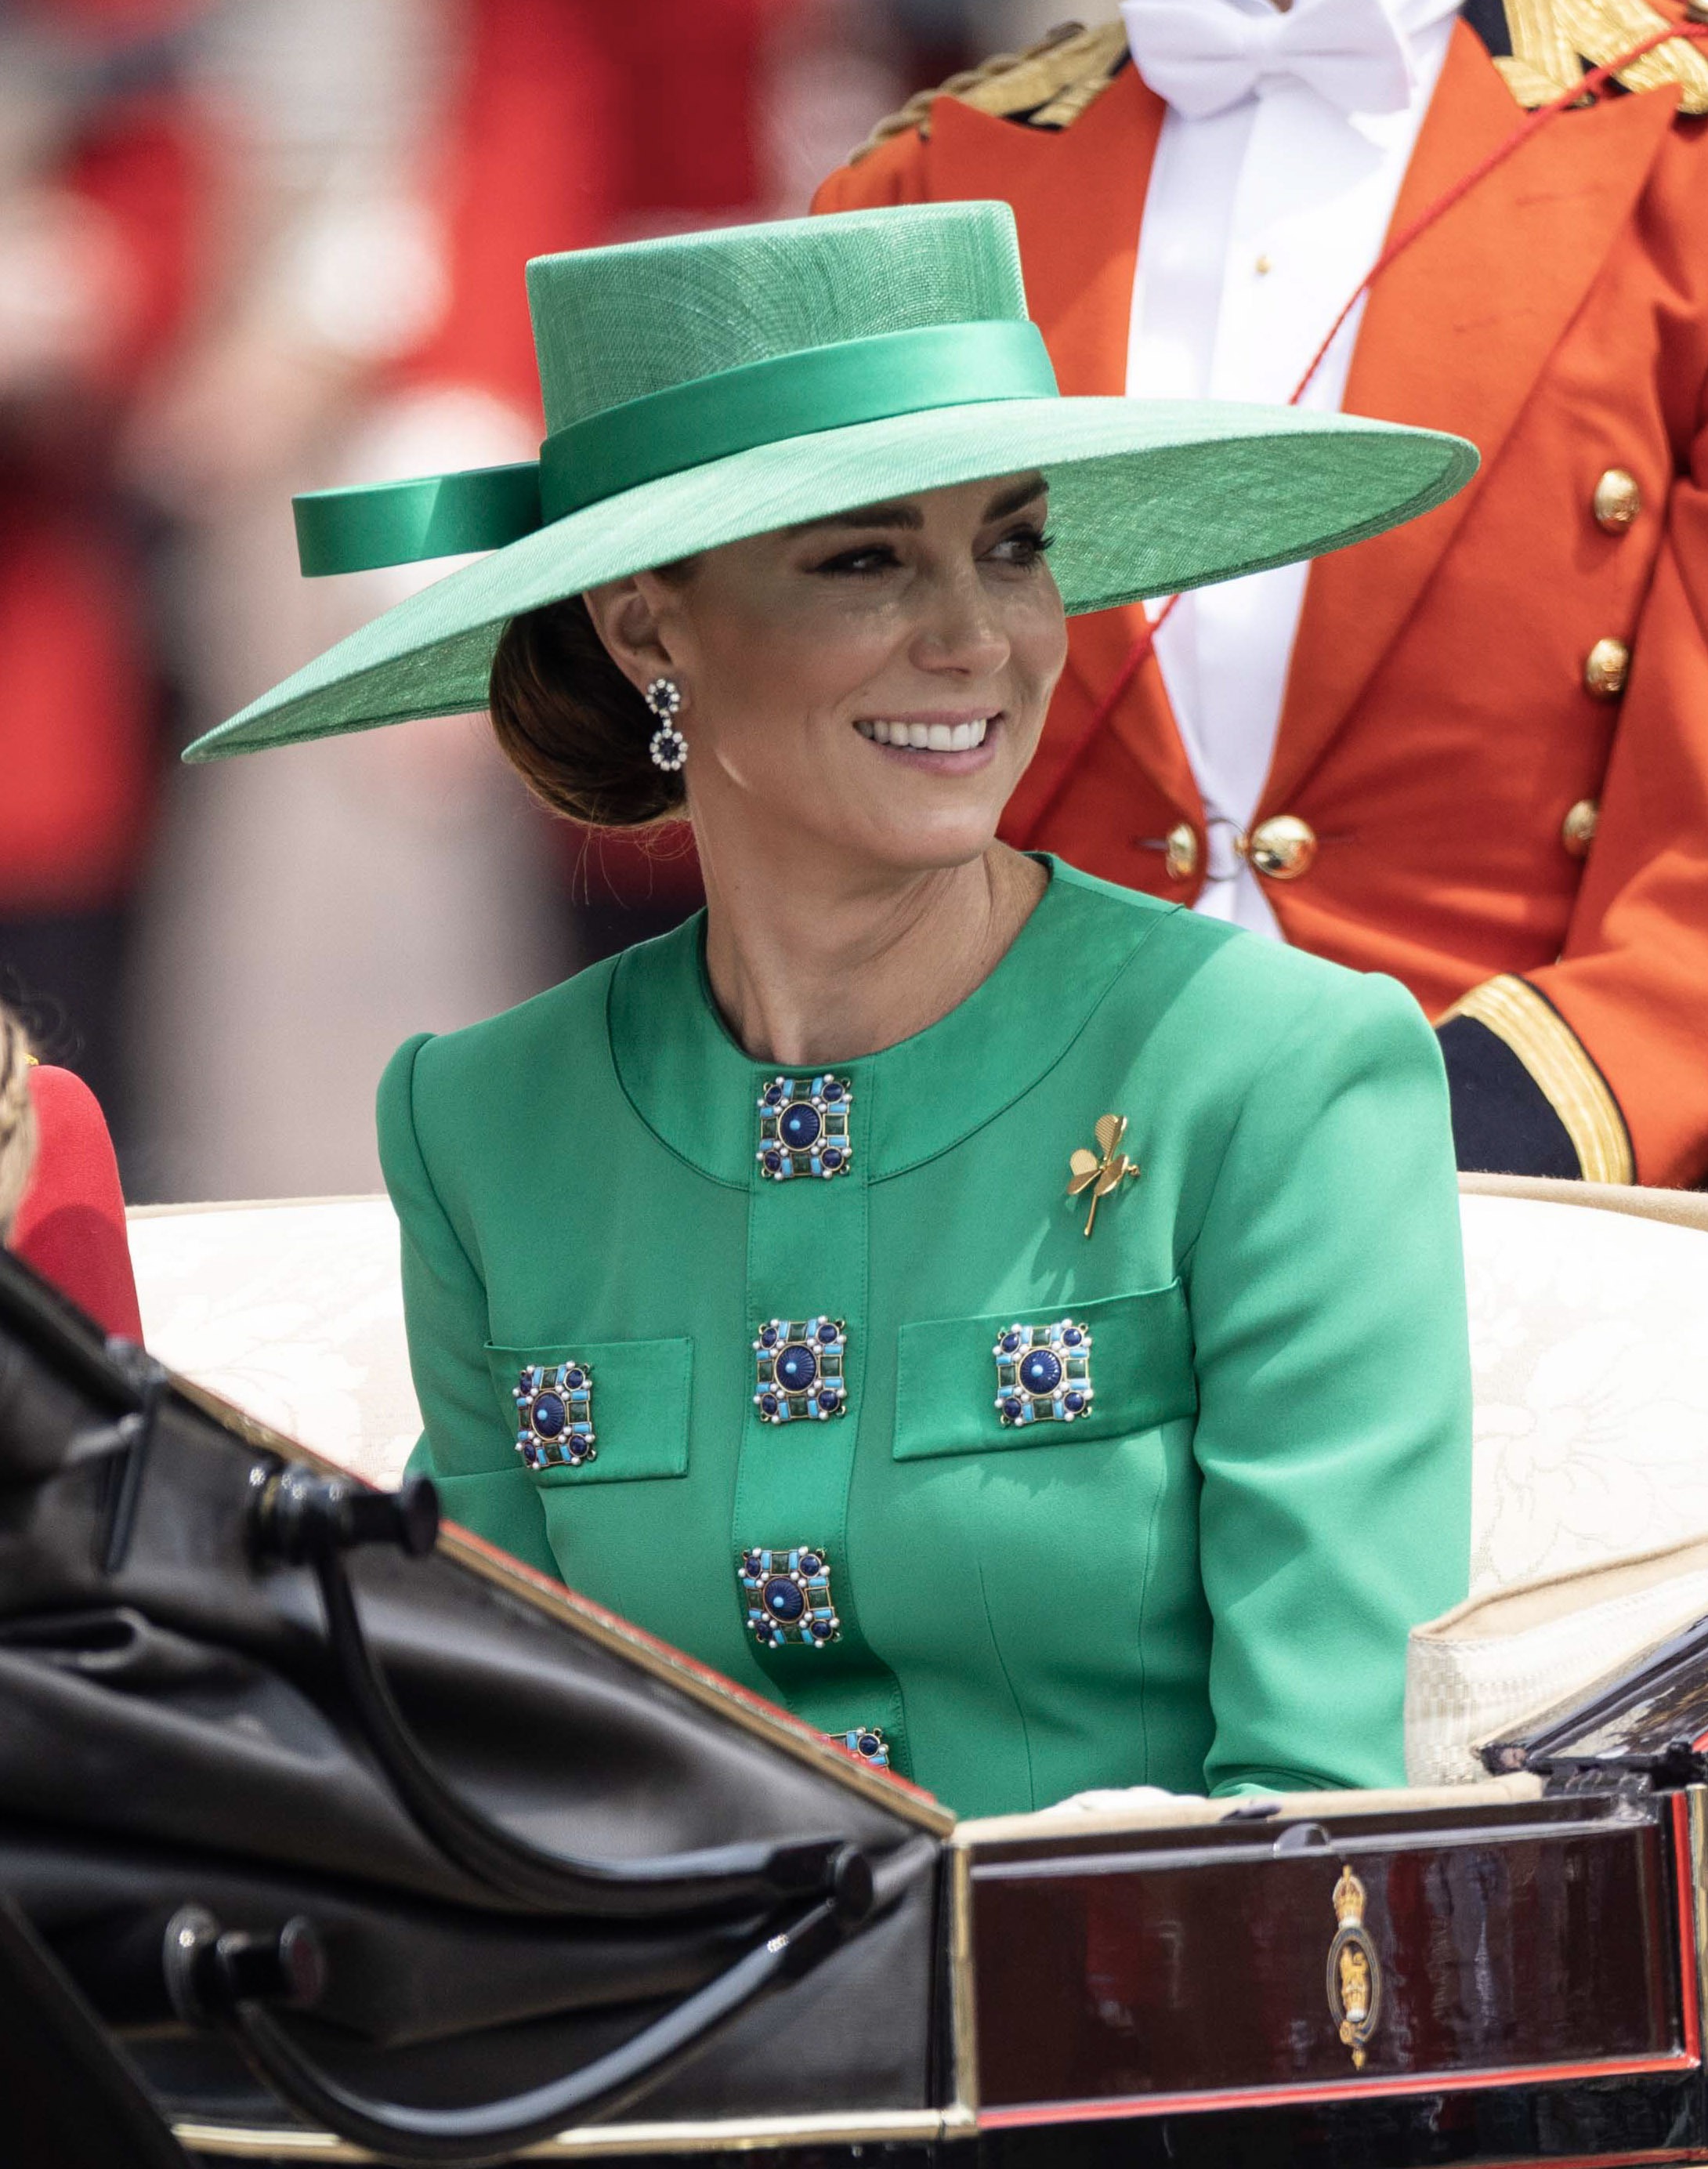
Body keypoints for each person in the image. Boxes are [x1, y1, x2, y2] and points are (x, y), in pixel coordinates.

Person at [183, 202, 1475, 1817]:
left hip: (1155, 2051)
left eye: (1011, 545)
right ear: (647, 619)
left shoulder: (1275, 1072)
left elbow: (1323, 1815)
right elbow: (489, 1763)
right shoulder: (479, 1123)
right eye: (865, 558)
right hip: (656, 2057)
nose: (974, 638)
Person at [813, 1, 1708, 1192]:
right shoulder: (919, 188)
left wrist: (1483, 1128)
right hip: (1023, 1198)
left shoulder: (1676, 160)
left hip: (1526, 1194)